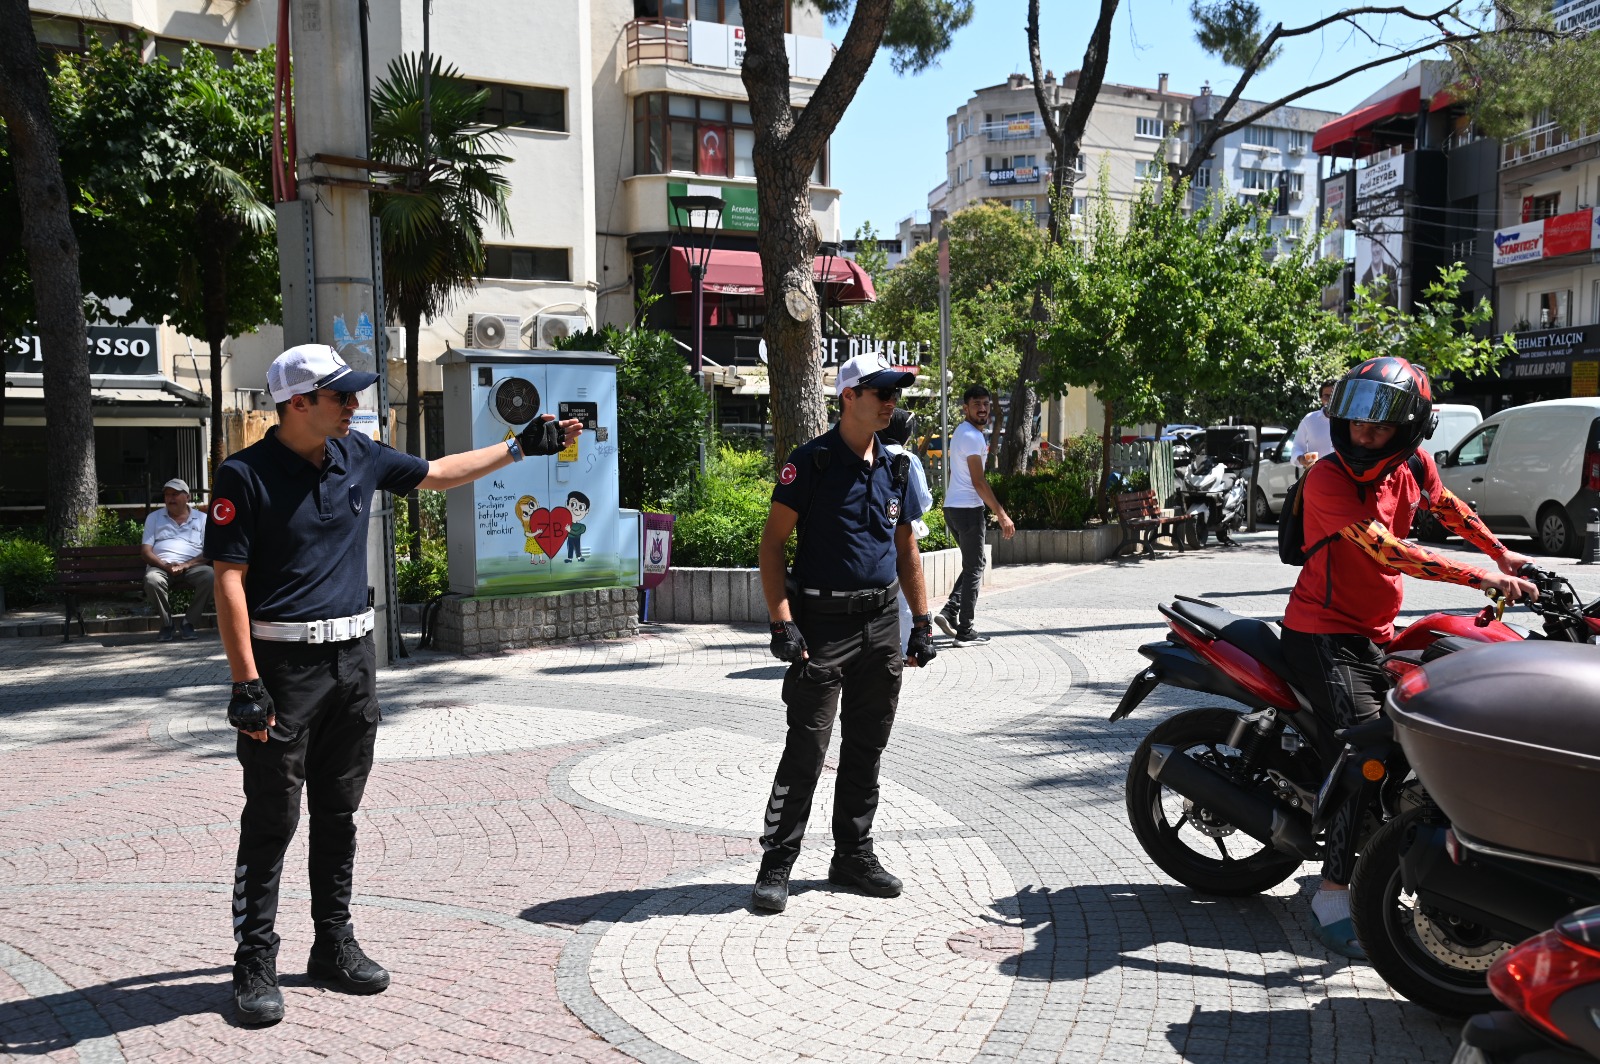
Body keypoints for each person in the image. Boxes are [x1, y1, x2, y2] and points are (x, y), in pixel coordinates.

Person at [206, 343, 579, 1025]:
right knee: (272, 820)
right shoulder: (244, 475)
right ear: (297, 404)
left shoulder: (361, 454)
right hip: (283, 671)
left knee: (339, 813)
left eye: (352, 395)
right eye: (340, 396)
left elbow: (437, 474)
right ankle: (253, 960)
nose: (353, 405)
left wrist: (521, 448)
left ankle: (333, 943)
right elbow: (228, 577)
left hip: (353, 664)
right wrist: (245, 683)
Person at [1281, 356, 1537, 959]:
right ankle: (1334, 892)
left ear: (1412, 428)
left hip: (1375, 627)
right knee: (1366, 749)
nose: (1364, 436)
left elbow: (1445, 504)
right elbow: (1387, 552)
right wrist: (1480, 577)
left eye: (1379, 428)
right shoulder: (1328, 481)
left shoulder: (1413, 461)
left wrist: (1504, 555)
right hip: (1322, 633)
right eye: (1354, 425)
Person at [752, 352, 939, 914]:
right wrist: (782, 621)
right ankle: (777, 863)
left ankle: (852, 855)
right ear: (848, 398)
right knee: (807, 747)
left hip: (881, 623)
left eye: (895, 394)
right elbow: (771, 545)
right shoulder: (808, 464)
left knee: (867, 743)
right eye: (881, 392)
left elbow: (906, 547)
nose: (891, 403)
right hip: (822, 626)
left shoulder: (898, 468)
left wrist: (922, 621)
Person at [935, 384, 1015, 644]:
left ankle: (950, 611)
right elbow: (978, 481)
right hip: (968, 510)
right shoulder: (973, 436)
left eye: (986, 404)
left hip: (953, 508)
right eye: (976, 404)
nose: (982, 408)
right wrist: (1001, 514)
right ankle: (965, 630)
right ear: (965, 408)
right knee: (974, 569)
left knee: (974, 565)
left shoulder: (961, 432)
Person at [878, 408, 934, 654]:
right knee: (906, 591)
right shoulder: (908, 458)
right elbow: (922, 499)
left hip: (877, 533)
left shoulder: (872, 453)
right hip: (905, 529)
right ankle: (905, 647)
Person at [141, 477, 214, 641]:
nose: (170, 498)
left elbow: (209, 551)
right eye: (167, 495)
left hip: (192, 566)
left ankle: (189, 623)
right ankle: (167, 624)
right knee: (151, 579)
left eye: (175, 494)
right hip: (161, 566)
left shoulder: (202, 519)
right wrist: (166, 566)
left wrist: (186, 564)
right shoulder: (154, 518)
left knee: (211, 576)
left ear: (187, 497)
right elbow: (146, 552)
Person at [1291, 380, 1337, 472]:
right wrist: (1301, 459)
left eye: (1334, 395)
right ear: (1321, 398)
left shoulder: (1349, 421)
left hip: (1343, 477)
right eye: (1326, 396)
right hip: (1316, 476)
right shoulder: (1310, 420)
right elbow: (1297, 447)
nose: (1330, 399)